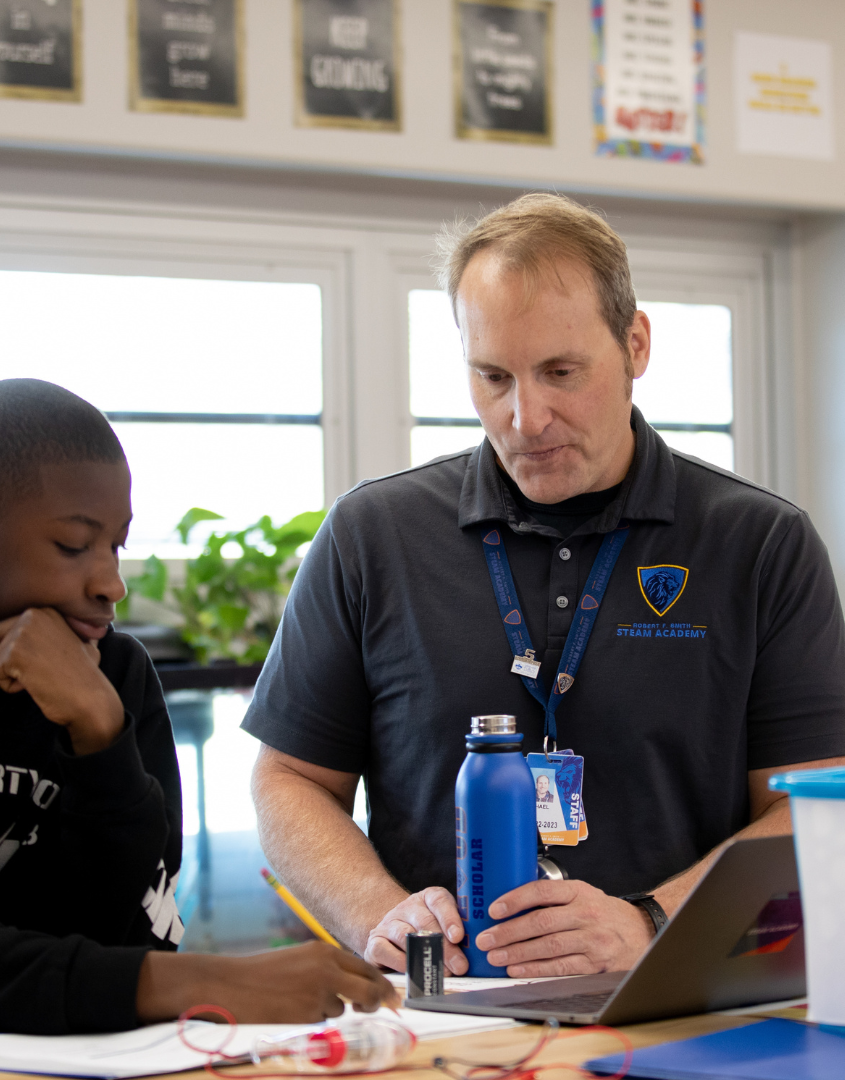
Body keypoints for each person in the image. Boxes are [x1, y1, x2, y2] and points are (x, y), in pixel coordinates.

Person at [244, 193, 845, 981]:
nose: (526, 417)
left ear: (635, 344)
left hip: (677, 997)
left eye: (561, 373)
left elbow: (815, 808)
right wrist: (375, 914)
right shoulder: (372, 535)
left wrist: (652, 922)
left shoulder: (760, 543)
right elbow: (288, 779)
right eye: (492, 376)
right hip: (442, 1011)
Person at [0, 379, 396, 1033]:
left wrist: (100, 734)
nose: (110, 583)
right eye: (72, 546)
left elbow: (124, 934)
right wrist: (208, 979)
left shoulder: (116, 678)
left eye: (116, 545)